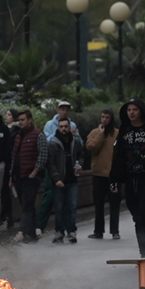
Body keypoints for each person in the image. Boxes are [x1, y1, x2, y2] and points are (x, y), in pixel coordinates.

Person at [110, 98, 145, 258]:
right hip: (129, 179)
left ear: (141, 111)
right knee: (136, 217)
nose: (132, 113)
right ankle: (143, 247)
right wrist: (113, 180)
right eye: (129, 110)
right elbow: (117, 156)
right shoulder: (124, 131)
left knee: (143, 214)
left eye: (135, 109)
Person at [37, 101, 81, 236]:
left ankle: (70, 230)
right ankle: (44, 227)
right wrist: (58, 134)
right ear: (58, 110)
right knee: (52, 199)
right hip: (55, 170)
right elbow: (46, 142)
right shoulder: (50, 125)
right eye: (62, 109)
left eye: (67, 109)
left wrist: (74, 135)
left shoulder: (72, 125)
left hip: (69, 173)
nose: (64, 111)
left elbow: (80, 146)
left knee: (70, 205)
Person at [9, 110, 48, 241]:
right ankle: (33, 232)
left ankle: (22, 231)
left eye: (23, 119)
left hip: (31, 177)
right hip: (19, 176)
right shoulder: (19, 136)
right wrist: (11, 176)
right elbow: (14, 157)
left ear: (30, 120)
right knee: (27, 205)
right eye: (19, 120)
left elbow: (43, 155)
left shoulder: (38, 135)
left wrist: (34, 172)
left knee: (26, 204)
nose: (20, 122)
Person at [86, 108, 121, 239]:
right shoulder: (95, 132)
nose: (104, 120)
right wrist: (101, 134)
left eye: (107, 117)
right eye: (103, 117)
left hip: (113, 175)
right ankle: (98, 231)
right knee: (98, 205)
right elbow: (91, 147)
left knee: (114, 205)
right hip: (98, 174)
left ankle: (115, 231)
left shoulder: (117, 133)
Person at [48, 117, 84, 244]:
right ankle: (59, 232)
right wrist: (56, 178)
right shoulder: (53, 143)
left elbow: (81, 155)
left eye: (66, 126)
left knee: (72, 207)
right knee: (59, 207)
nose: (63, 129)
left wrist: (80, 165)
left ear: (70, 127)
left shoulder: (75, 141)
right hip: (59, 181)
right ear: (58, 128)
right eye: (61, 126)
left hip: (72, 179)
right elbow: (51, 163)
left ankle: (71, 232)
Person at [1, 109, 20, 228]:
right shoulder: (5, 129)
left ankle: (8, 217)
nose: (6, 117)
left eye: (9, 115)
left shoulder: (14, 130)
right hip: (6, 163)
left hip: (11, 164)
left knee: (7, 191)